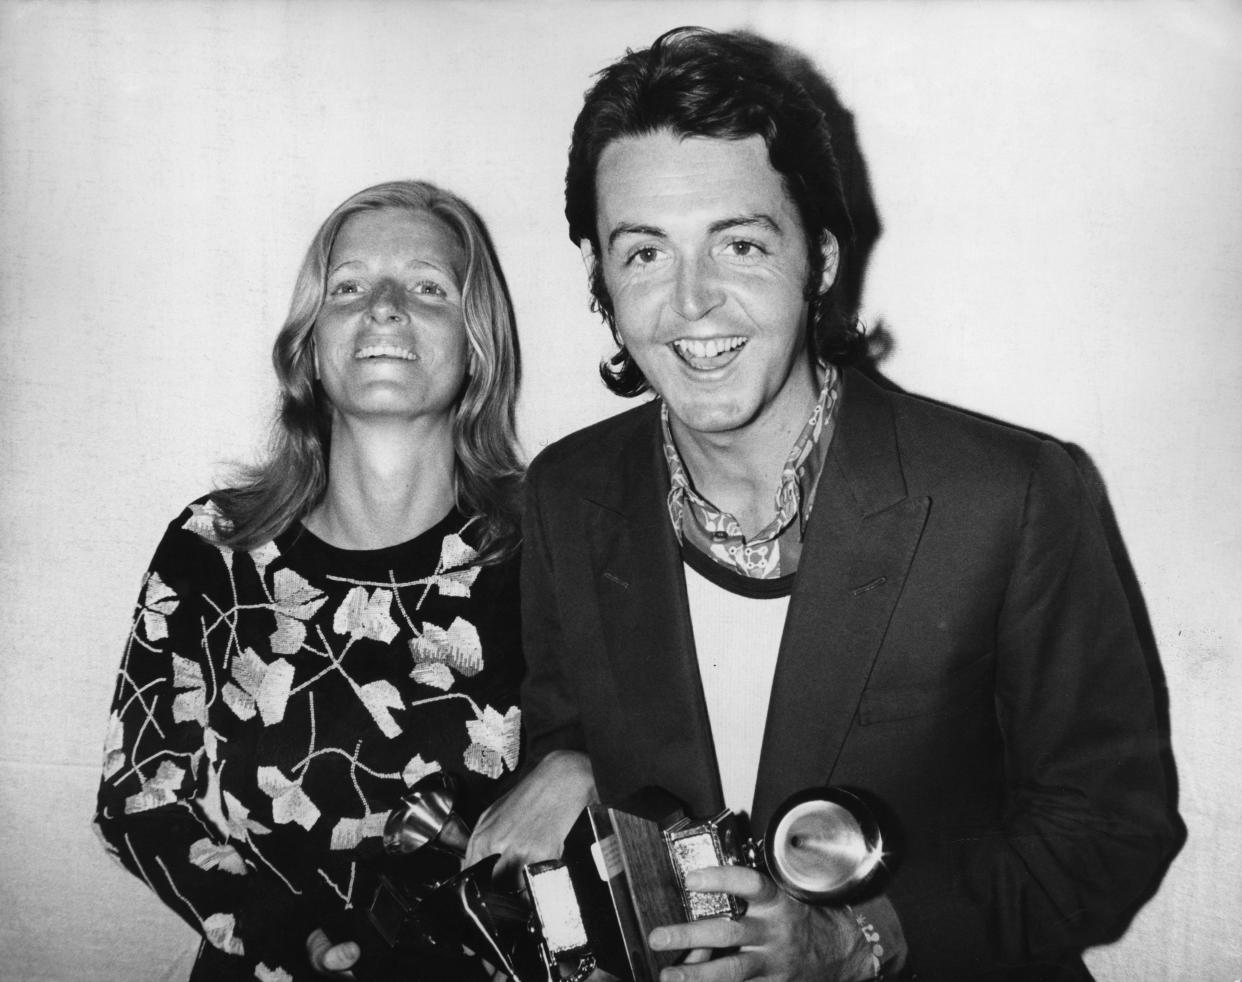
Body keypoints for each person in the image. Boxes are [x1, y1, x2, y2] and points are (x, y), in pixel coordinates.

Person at [466, 27, 1182, 982]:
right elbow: (575, 730)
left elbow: (1112, 829)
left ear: (823, 259)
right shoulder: (565, 493)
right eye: (643, 253)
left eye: (741, 243)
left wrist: (857, 940)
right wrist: (570, 765)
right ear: (601, 280)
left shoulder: (1011, 496)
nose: (692, 302)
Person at [95, 180, 526, 981]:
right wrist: (295, 933)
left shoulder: (542, 556)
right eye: (350, 286)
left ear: (478, 344)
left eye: (429, 287)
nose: (386, 307)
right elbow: (139, 797)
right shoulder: (214, 549)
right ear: (310, 345)